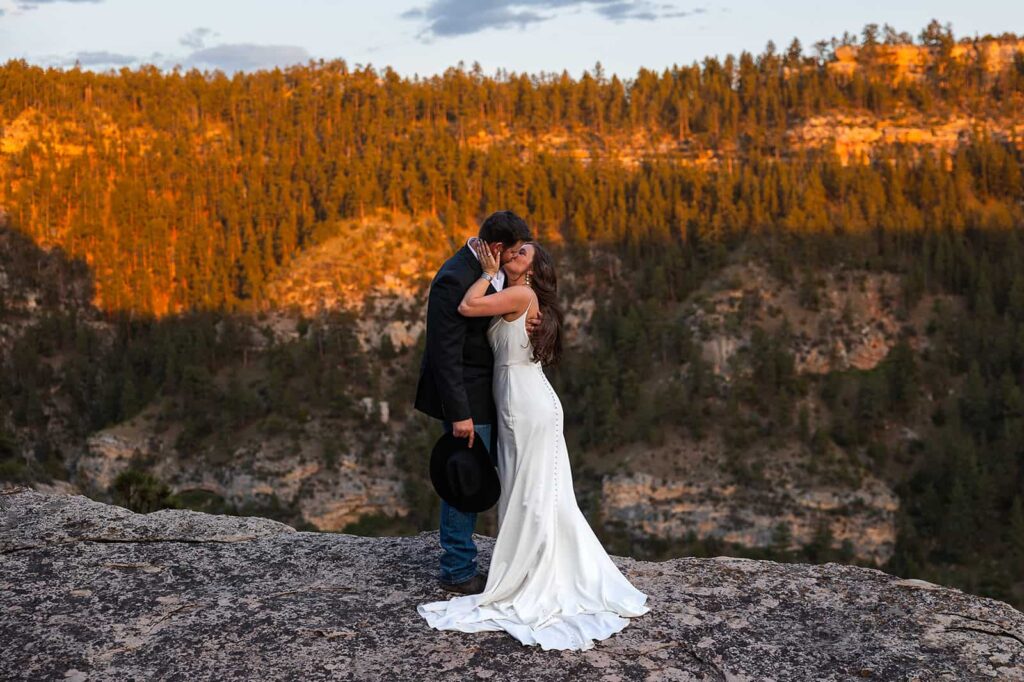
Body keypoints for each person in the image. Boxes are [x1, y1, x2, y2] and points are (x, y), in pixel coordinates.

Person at [416, 239, 651, 651]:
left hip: (526, 404)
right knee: (528, 490)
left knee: (530, 492)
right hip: (516, 400)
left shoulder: (520, 293)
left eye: (523, 253)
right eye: (514, 249)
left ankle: (535, 573)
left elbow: (468, 308)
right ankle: (534, 567)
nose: (513, 254)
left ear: (531, 270)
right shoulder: (517, 295)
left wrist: (488, 273)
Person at [414, 210, 537, 594]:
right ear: (496, 248)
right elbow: (444, 353)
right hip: (469, 400)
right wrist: (460, 414)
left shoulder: (495, 270)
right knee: (465, 478)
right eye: (514, 251)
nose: (519, 256)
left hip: (498, 394)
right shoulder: (455, 277)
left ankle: (505, 559)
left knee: (499, 475)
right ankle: (457, 570)